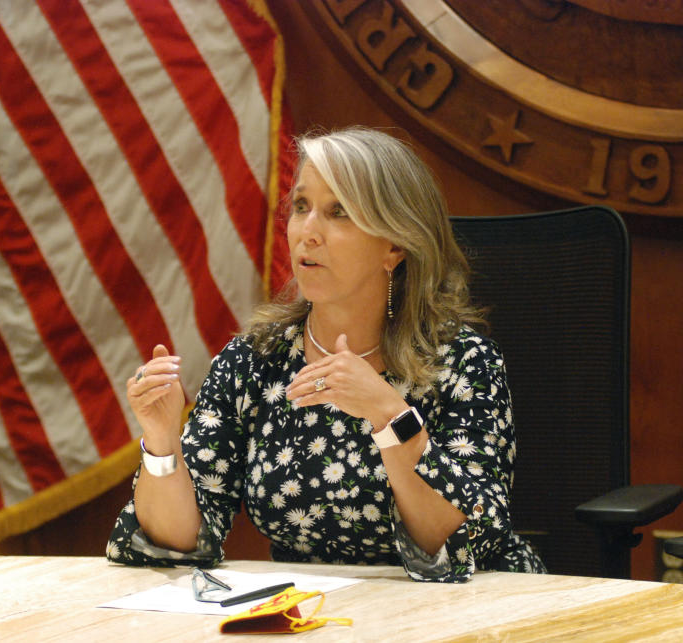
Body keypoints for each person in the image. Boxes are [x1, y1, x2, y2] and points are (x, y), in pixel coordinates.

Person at [106, 126, 545, 582]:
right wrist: (161, 442)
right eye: (301, 207)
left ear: (393, 244)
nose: (307, 233)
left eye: (338, 212)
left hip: (467, 611)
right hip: (313, 614)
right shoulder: (255, 360)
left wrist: (388, 415)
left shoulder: (461, 363)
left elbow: (464, 544)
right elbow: (175, 545)